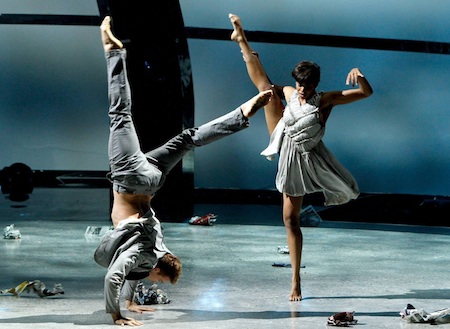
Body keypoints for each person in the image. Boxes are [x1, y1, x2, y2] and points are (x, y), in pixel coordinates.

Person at [99, 16, 273, 326]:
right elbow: (115, 274)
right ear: (158, 268)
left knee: (189, 138)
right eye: (161, 281)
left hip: (153, 180)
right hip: (130, 177)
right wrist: (117, 314)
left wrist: (130, 301)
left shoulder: (157, 244)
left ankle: (241, 114)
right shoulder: (145, 255)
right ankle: (113, 52)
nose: (156, 284)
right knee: (120, 116)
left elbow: (135, 270)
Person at [229, 13, 373, 302]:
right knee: (289, 220)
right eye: (299, 86)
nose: (302, 91)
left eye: (307, 87)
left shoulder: (326, 100)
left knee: (340, 193)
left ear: (315, 85)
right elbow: (272, 85)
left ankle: (296, 279)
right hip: (284, 142)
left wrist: (360, 74)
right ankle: (241, 40)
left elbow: (364, 93)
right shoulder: (291, 92)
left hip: (309, 156)